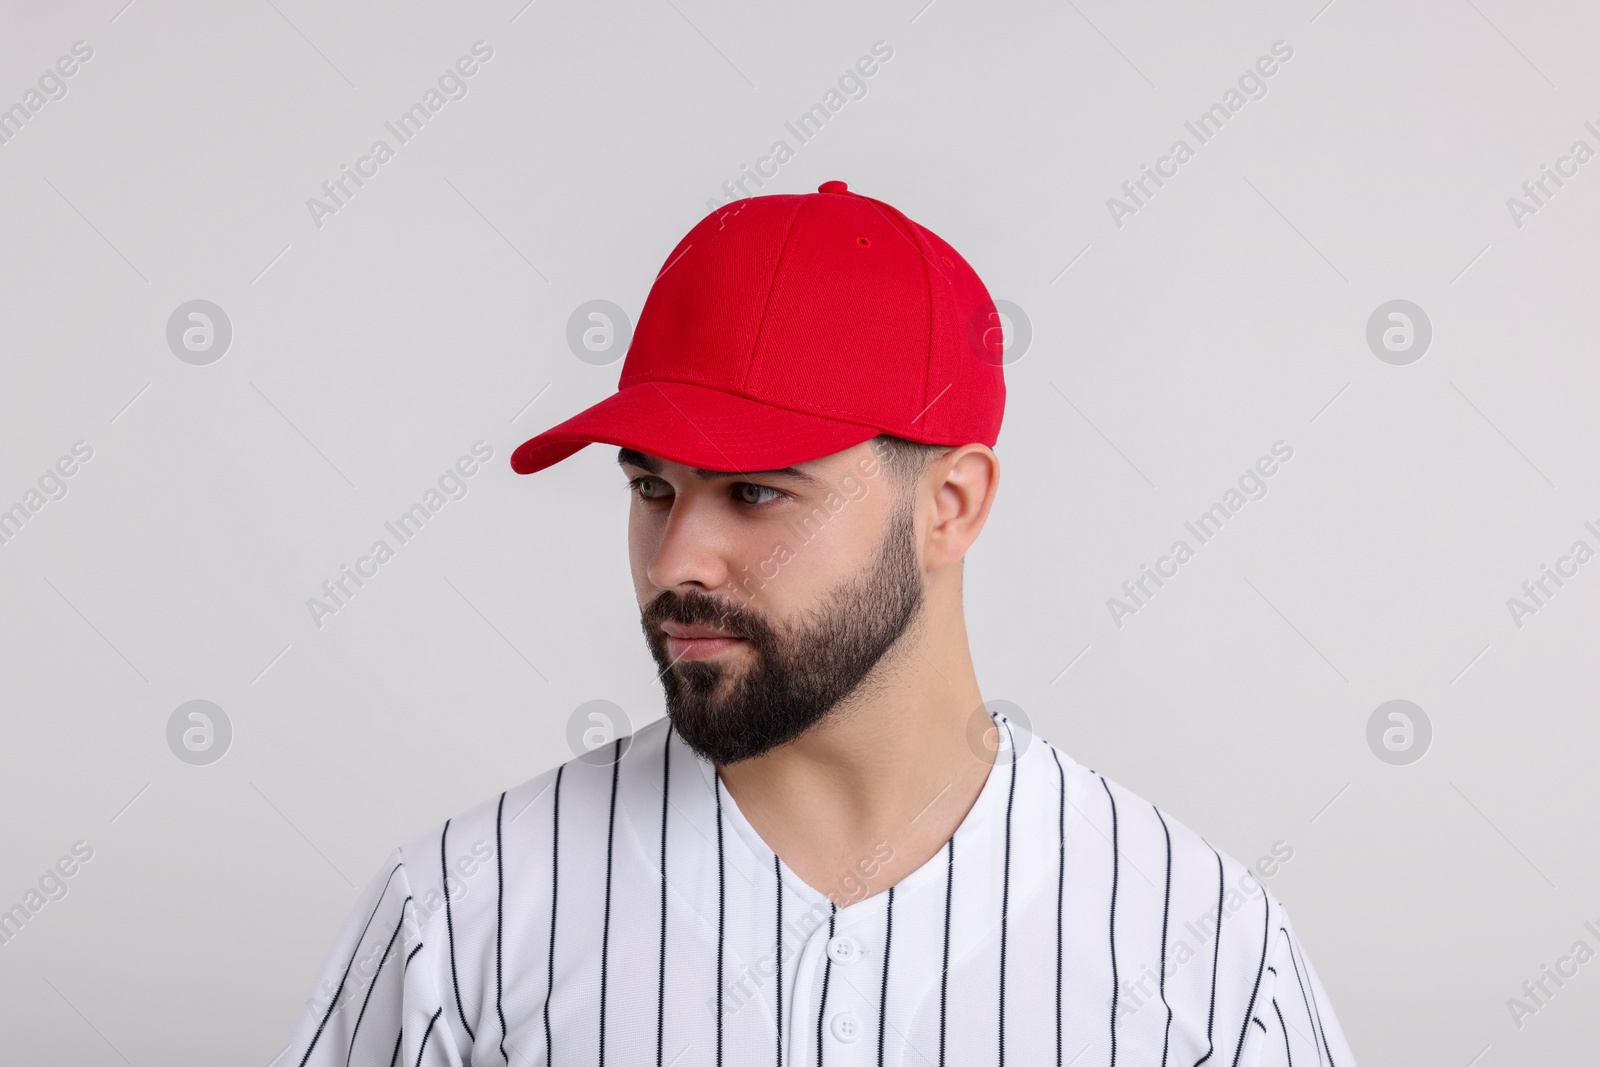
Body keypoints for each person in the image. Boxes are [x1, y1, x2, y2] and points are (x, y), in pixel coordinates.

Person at [284, 180, 1357, 1066]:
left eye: (755, 491)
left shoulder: (1200, 944)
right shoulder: (466, 907)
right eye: (652, 487)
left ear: (951, 504)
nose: (673, 561)